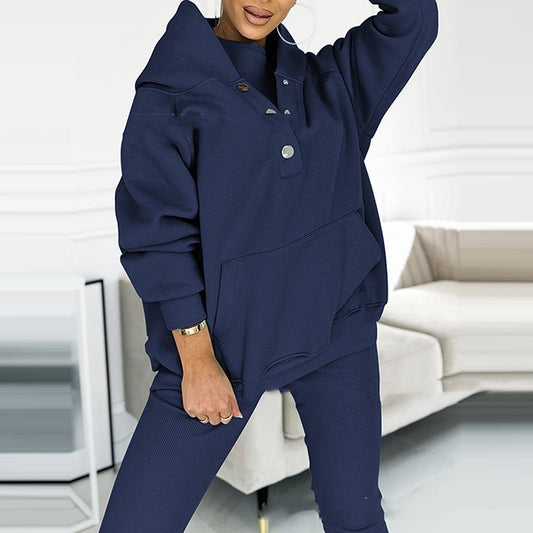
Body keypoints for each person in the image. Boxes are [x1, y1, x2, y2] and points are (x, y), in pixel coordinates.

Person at [99, 0, 439, 531]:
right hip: (225, 351)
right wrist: (197, 359)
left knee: (356, 517)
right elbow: (157, 237)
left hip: (337, 332)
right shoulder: (169, 96)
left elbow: (414, 17)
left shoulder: (330, 82)